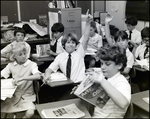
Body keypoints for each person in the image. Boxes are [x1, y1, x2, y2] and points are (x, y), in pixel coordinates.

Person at [42, 12, 93, 100]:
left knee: (64, 100)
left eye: (73, 42)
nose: (70, 45)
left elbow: (85, 38)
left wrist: (87, 23)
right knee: (47, 94)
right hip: (65, 84)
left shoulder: (79, 53)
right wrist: (46, 76)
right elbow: (49, 69)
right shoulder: (60, 56)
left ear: (76, 45)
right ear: (64, 45)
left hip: (79, 84)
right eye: (68, 42)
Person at [87, 44, 131, 118]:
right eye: (102, 63)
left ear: (119, 65)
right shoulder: (108, 78)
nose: (103, 67)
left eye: (107, 64)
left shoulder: (122, 82)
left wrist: (102, 81)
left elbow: (123, 103)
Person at [1, 42, 42, 118]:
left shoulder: (32, 64)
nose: (23, 56)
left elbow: (38, 76)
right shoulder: (11, 65)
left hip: (27, 96)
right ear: (14, 56)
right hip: (13, 96)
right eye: (20, 54)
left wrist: (23, 78)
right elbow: (2, 74)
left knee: (30, 112)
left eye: (24, 53)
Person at [105, 13, 134, 81]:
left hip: (123, 79)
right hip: (112, 76)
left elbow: (126, 71)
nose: (121, 42)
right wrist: (106, 23)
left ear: (127, 41)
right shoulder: (115, 49)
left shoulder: (129, 55)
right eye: (118, 41)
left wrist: (113, 68)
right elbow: (108, 37)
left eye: (123, 40)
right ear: (115, 42)